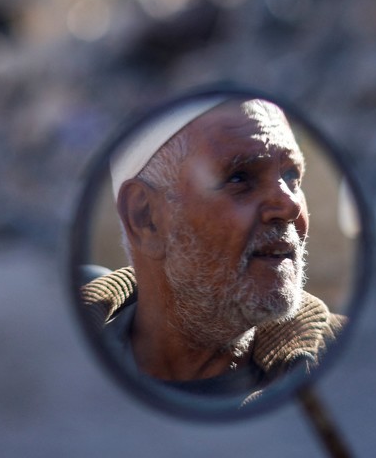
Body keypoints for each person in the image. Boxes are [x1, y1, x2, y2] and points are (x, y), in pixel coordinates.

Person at [80, 97, 344, 403]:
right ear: (146, 218)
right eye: (239, 178)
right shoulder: (67, 369)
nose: (290, 205)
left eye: (291, 177)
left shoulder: (342, 364)